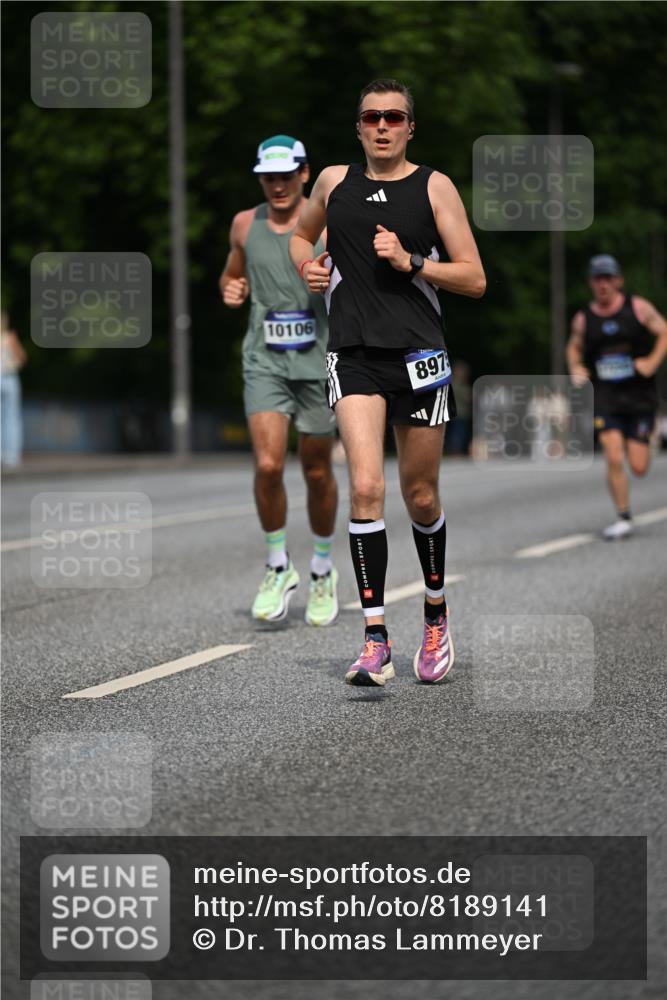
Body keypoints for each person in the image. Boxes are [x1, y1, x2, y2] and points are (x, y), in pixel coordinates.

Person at [290, 80, 485, 685]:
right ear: (358, 127)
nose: (382, 126)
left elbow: (475, 278)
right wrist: (308, 266)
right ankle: (375, 637)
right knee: (366, 488)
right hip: (352, 355)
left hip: (420, 356)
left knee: (420, 496)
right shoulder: (331, 182)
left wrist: (412, 262)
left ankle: (434, 612)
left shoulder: (434, 186)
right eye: (371, 116)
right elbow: (300, 234)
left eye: (393, 117)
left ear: (409, 127)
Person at [220, 135, 339, 625]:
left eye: (285, 175)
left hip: (317, 363)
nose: (276, 185)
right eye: (268, 177)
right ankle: (276, 565)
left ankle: (322, 569)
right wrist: (230, 288)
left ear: (304, 174)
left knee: (315, 470)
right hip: (265, 362)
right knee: (269, 464)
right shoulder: (245, 224)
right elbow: (233, 274)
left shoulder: (328, 226)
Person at [567, 254, 667, 539]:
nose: (603, 284)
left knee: (638, 465)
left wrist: (652, 362)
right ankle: (623, 516)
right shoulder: (584, 318)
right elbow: (574, 347)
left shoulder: (638, 308)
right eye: (598, 279)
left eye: (608, 278)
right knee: (613, 455)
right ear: (591, 283)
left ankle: (643, 442)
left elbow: (664, 332)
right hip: (606, 396)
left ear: (618, 280)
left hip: (639, 397)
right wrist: (575, 367)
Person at [1, 311, 27, 468]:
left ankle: (4, 454)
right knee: (11, 418)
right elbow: (22, 358)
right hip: (9, 378)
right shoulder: (9, 338)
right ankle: (11, 456)